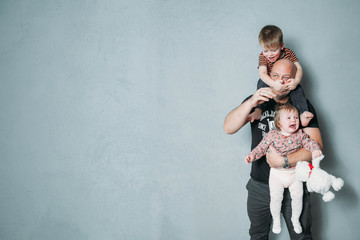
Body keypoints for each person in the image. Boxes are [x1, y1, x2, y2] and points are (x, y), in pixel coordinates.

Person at [223, 59, 323, 240]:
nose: (280, 82)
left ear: (294, 79)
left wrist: (284, 161)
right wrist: (251, 101)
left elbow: (317, 147)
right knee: (258, 235)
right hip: (260, 186)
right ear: (268, 77)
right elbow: (228, 127)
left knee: (302, 236)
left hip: (295, 181)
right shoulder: (256, 102)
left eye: (286, 78)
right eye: (275, 76)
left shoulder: (302, 107)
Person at [245, 103, 323, 235]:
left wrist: (315, 150)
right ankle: (276, 220)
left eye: (296, 118)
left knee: (298, 197)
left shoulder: (300, 134)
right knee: (276, 198)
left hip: (294, 174)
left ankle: (295, 220)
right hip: (277, 174)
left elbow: (311, 143)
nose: (293, 120)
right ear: (279, 123)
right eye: (289, 118)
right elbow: (261, 148)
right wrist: (252, 156)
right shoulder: (272, 135)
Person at [249, 25, 314, 127]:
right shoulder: (262, 57)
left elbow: (299, 68)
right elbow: (262, 73)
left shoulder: (288, 53)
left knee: (298, 90)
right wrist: (273, 84)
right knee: (260, 84)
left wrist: (296, 81)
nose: (269, 54)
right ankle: (258, 110)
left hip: (286, 80)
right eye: (265, 51)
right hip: (271, 80)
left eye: (274, 50)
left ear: (281, 46)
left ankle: (303, 113)